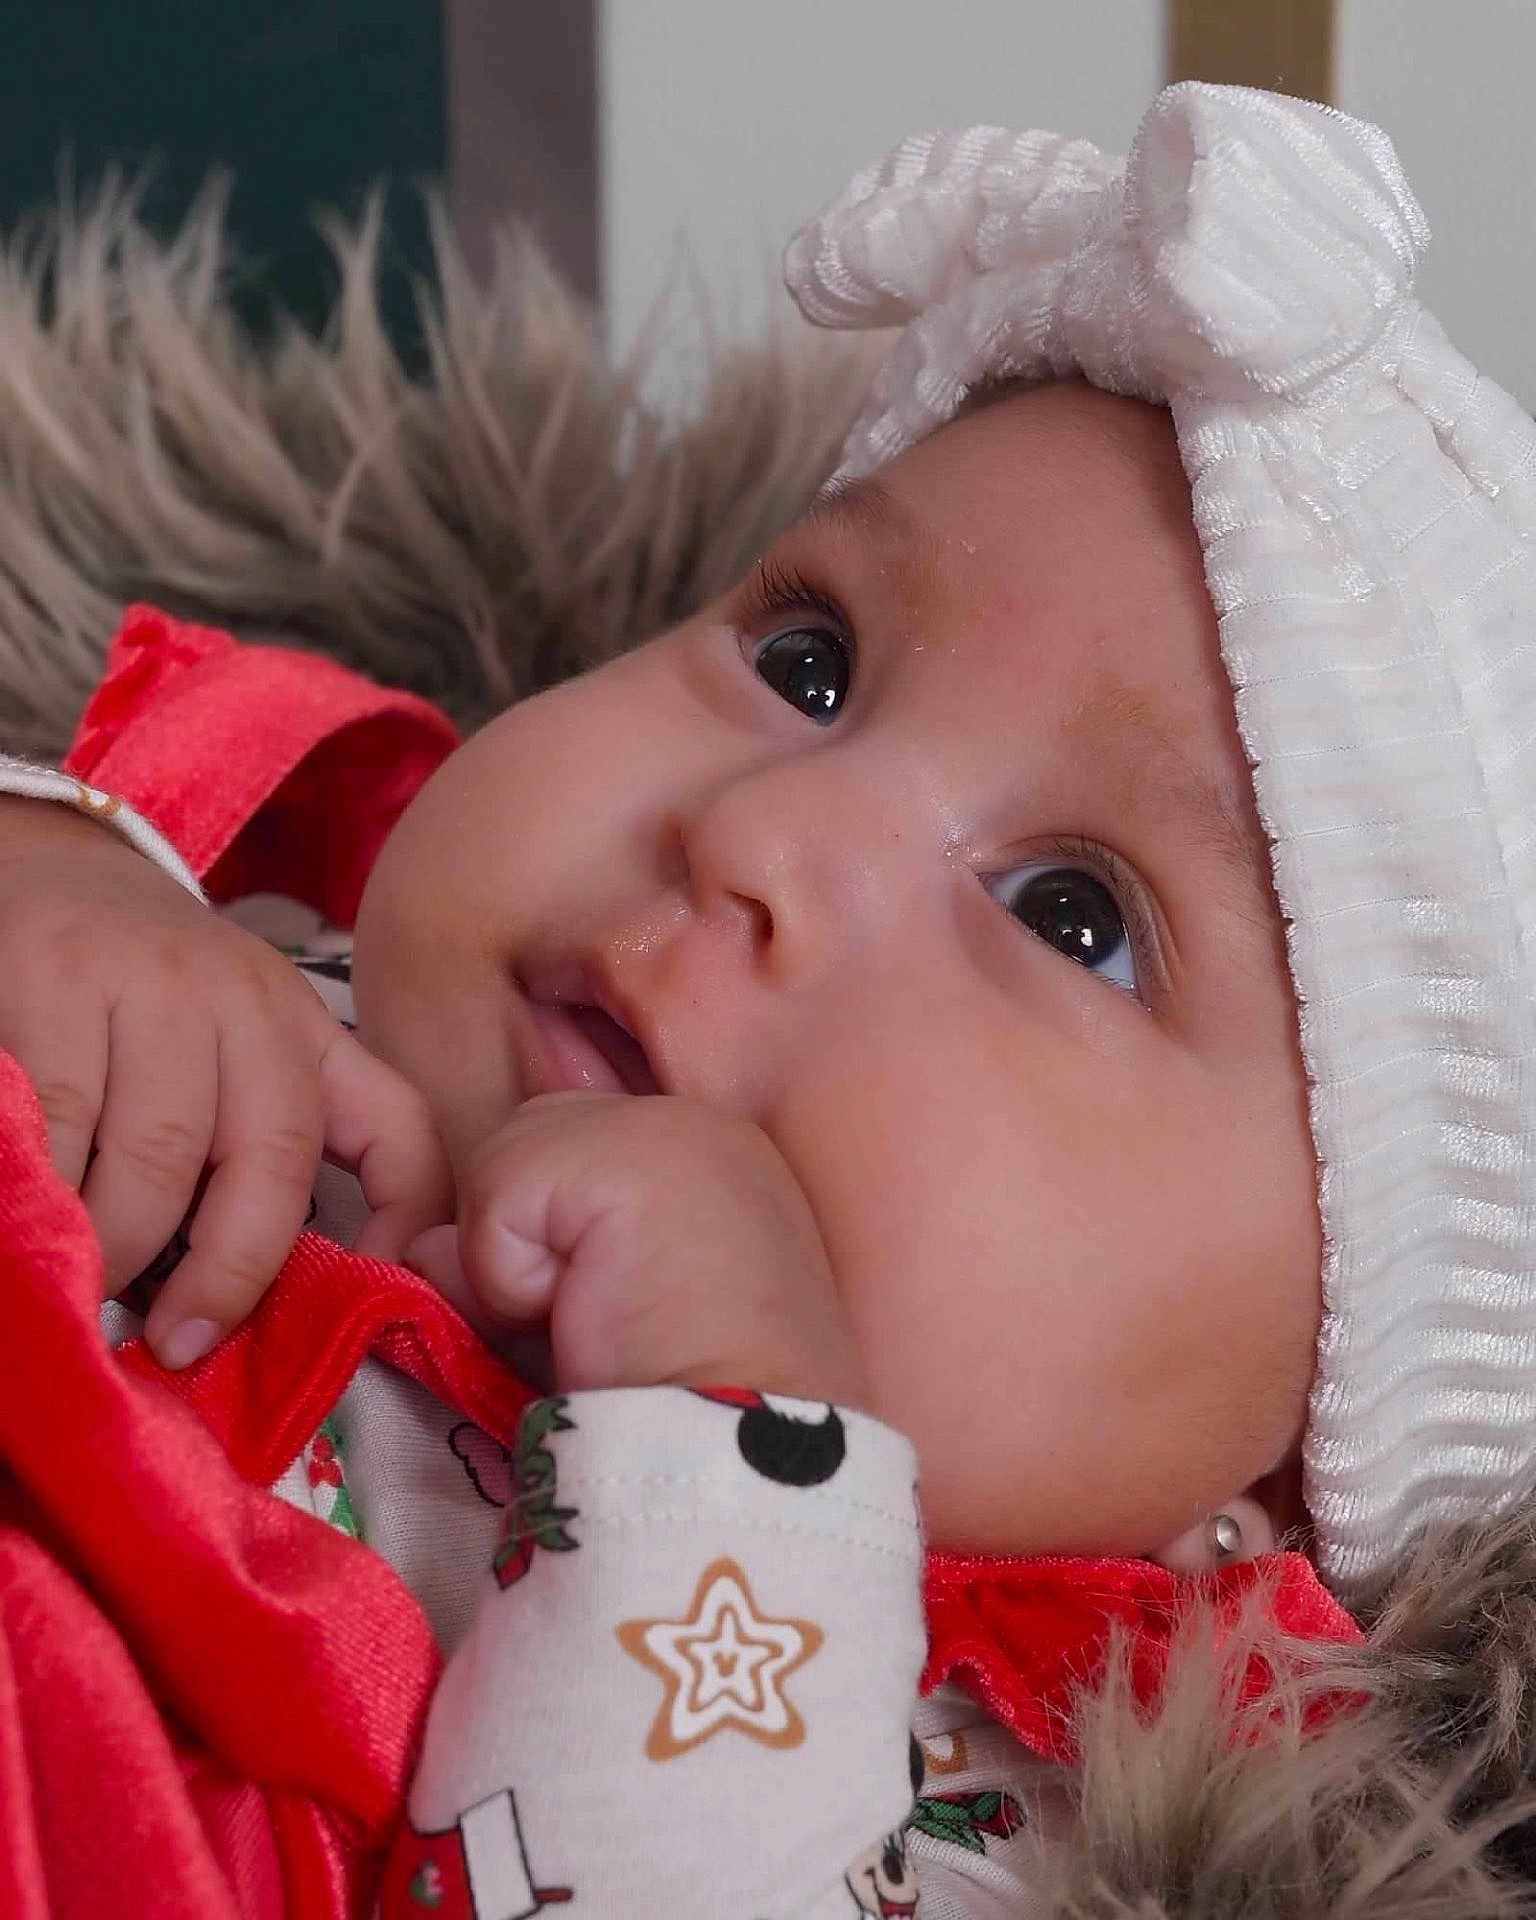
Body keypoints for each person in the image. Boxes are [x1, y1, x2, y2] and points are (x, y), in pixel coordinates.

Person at [2, 80, 1534, 1911]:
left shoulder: (1000, 1789)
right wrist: (67, 880)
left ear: (1275, 1483)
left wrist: (735, 1443)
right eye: (810, 664)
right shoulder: (276, 970)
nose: (769, 832)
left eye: (1071, 916)